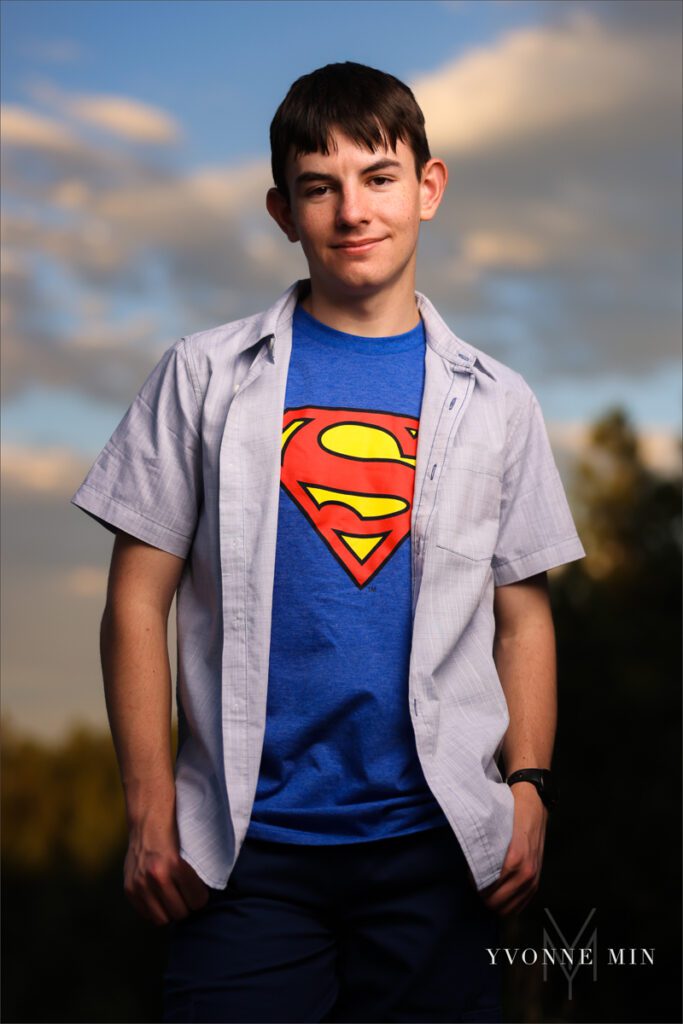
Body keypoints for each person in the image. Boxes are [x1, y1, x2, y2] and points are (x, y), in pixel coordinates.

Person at [71, 61, 585, 1023]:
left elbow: (522, 616)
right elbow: (135, 603)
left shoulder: (499, 402)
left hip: (435, 851)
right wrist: (147, 811)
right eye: (321, 186)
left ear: (427, 189)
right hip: (242, 854)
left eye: (379, 177)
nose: (353, 210)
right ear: (282, 210)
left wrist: (528, 789)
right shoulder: (203, 376)